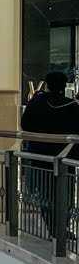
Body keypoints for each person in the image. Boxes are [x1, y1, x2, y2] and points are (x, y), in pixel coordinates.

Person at [21, 71, 79, 235]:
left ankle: (53, 226)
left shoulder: (37, 103)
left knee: (45, 192)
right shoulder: (71, 105)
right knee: (64, 193)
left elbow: (25, 124)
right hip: (65, 157)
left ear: (47, 84)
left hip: (41, 156)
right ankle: (62, 226)